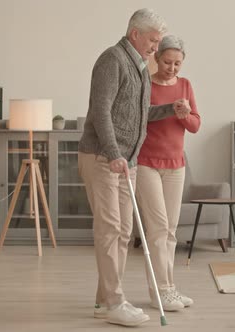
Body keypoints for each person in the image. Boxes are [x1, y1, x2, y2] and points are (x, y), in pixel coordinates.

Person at [78, 9, 190, 327]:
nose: (156, 48)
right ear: (135, 34)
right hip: (102, 157)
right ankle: (114, 301)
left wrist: (170, 108)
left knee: (124, 232)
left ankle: (105, 301)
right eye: (153, 41)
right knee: (111, 229)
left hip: (126, 161)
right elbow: (101, 112)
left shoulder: (139, 65)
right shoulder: (113, 59)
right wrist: (114, 152)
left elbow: (137, 115)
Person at [135, 35, 200, 311]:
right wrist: (166, 111)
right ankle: (161, 291)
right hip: (147, 164)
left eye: (178, 63)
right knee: (158, 229)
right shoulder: (145, 84)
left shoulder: (185, 86)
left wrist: (185, 114)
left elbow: (195, 126)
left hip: (176, 166)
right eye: (167, 62)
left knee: (171, 231)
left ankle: (168, 289)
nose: (172, 68)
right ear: (156, 58)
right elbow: (137, 118)